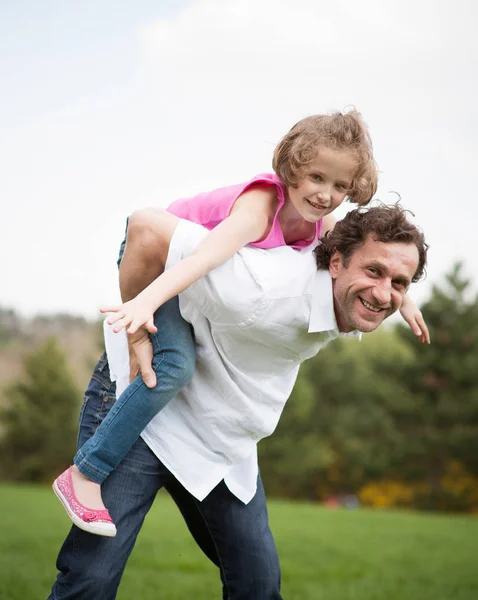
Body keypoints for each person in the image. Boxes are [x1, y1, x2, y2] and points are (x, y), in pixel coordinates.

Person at [53, 110, 428, 536]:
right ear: (292, 168)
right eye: (317, 177)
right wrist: (143, 306)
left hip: (184, 284)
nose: (326, 195)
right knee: (174, 365)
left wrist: (406, 300)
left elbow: (374, 260)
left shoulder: (322, 222)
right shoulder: (259, 210)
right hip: (157, 265)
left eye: (340, 186)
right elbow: (200, 259)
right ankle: (85, 473)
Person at [48, 203, 428, 599]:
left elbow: (347, 237)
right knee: (90, 582)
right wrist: (137, 332)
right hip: (145, 411)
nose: (383, 293)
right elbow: (146, 228)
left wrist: (399, 295)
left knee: (258, 587)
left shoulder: (351, 293)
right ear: (336, 263)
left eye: (399, 283)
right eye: (373, 272)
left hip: (220, 436)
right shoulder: (258, 287)